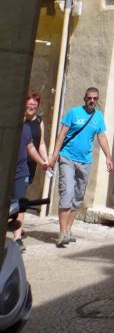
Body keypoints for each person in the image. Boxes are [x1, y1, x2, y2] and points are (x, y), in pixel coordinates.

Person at [49, 87, 113, 249]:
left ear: (97, 100)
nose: (92, 100)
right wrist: (55, 154)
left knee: (78, 196)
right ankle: (62, 232)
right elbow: (62, 134)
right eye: (89, 98)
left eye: (95, 98)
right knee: (67, 192)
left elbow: (102, 137)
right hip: (67, 157)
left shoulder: (98, 117)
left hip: (85, 161)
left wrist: (108, 157)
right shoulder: (74, 112)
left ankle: (68, 229)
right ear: (85, 99)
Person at [14, 93, 49, 243]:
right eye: (30, 103)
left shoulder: (39, 121)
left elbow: (40, 144)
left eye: (35, 105)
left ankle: (17, 231)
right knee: (15, 198)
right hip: (15, 163)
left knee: (20, 197)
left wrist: (45, 160)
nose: (32, 106)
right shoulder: (18, 121)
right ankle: (16, 226)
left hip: (29, 165)